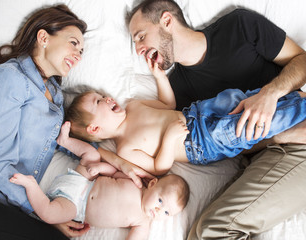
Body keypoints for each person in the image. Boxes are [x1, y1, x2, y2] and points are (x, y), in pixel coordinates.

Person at [126, 0, 306, 239]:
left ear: (167, 21)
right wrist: (276, 138)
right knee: (204, 233)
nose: (138, 49)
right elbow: (219, 146)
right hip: (271, 150)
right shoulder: (180, 94)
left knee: (211, 232)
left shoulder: (239, 26)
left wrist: (269, 94)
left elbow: (301, 60)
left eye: (140, 37)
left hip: (297, 127)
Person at [0, 4, 91, 240]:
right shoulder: (9, 78)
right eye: (73, 43)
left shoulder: (54, 95)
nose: (78, 54)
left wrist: (119, 164)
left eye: (82, 50)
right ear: (43, 37)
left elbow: (66, 143)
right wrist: (43, 211)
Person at [64, 73, 306, 175]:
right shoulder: (126, 149)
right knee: (245, 125)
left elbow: (168, 105)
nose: (106, 98)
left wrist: (159, 76)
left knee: (243, 101)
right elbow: (159, 168)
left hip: (201, 110)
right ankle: (300, 104)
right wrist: (169, 140)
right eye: (98, 101)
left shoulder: (134, 105)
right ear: (94, 129)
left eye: (101, 95)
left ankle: (292, 98)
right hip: (202, 142)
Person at [9, 121, 189, 240]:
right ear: (152, 184)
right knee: (92, 154)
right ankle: (65, 140)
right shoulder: (135, 182)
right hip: (83, 179)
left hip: (75, 206)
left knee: (49, 214)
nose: (159, 211)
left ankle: (30, 184)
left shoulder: (142, 222)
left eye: (166, 213)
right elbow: (112, 172)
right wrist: (98, 168)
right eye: (160, 201)